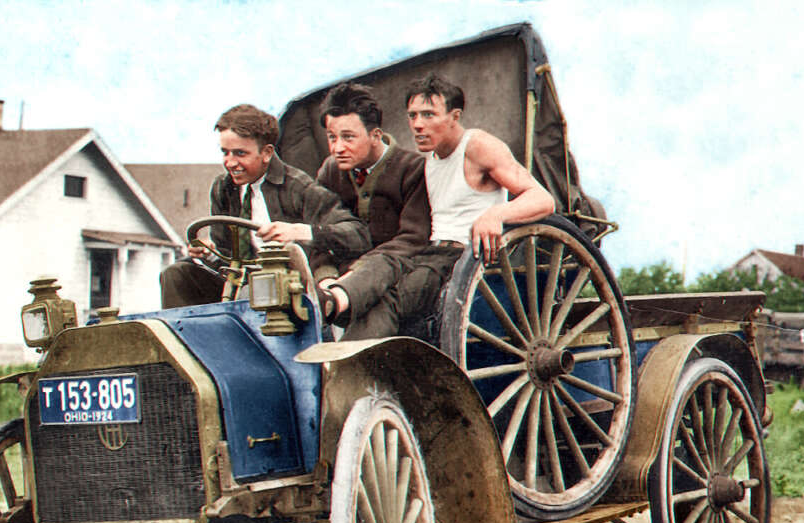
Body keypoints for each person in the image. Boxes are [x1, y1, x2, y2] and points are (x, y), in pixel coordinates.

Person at [372, 73, 556, 332]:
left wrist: (496, 214)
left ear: (454, 117)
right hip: (431, 255)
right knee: (370, 292)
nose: (417, 124)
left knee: (389, 301)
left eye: (428, 114)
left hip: (464, 260)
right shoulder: (430, 158)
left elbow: (543, 200)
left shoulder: (478, 145)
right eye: (412, 116)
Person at [160, 104, 370, 308]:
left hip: (288, 289)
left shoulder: (298, 187)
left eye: (240, 153)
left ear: (267, 153)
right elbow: (225, 259)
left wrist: (300, 231)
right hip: (240, 285)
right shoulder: (223, 188)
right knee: (176, 274)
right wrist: (210, 254)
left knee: (252, 291)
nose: (230, 163)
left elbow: (357, 235)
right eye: (226, 152)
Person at [313, 82, 431, 338]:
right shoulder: (330, 171)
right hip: (341, 276)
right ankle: (328, 303)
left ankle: (355, 372)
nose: (337, 148)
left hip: (399, 269)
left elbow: (413, 239)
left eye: (348, 137)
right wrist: (325, 277)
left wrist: (358, 273)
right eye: (332, 138)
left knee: (377, 300)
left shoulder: (412, 168)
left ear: (375, 135)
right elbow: (322, 235)